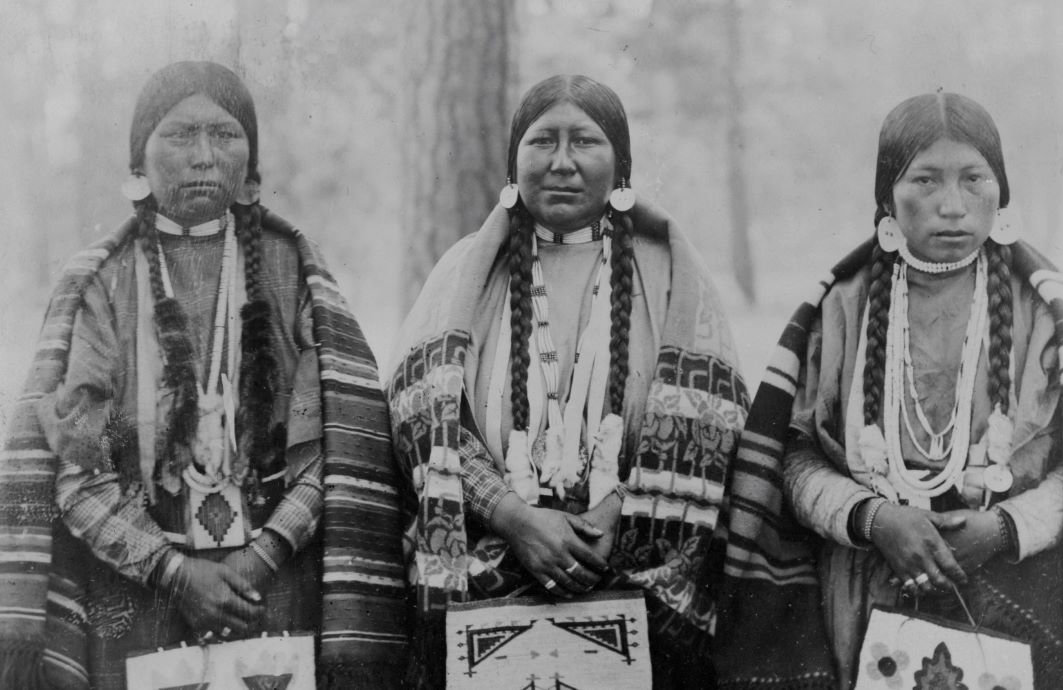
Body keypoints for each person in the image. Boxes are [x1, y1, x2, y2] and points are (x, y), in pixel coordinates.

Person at [0, 61, 406, 689]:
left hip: (277, 586)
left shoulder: (290, 267)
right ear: (139, 161)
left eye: (224, 135)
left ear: (251, 164)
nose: (203, 157)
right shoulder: (103, 282)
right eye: (180, 135)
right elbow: (75, 469)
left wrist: (262, 554)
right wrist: (174, 572)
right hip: (136, 595)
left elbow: (337, 448)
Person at [387, 74, 754, 689]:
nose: (562, 162)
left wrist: (618, 511)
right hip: (488, 583)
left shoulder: (670, 275)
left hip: (639, 583)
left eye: (584, 141)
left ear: (622, 165)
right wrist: (511, 516)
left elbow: (713, 424)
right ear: (513, 163)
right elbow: (420, 417)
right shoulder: (464, 274)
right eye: (542, 142)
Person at [739, 92, 1063, 689]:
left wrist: (1006, 528)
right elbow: (793, 460)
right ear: (887, 196)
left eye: (973, 179)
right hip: (863, 591)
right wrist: (876, 518)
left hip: (1018, 588)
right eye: (925, 181)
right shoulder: (843, 306)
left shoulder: (1045, 313)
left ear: (1001, 192)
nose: (952, 206)